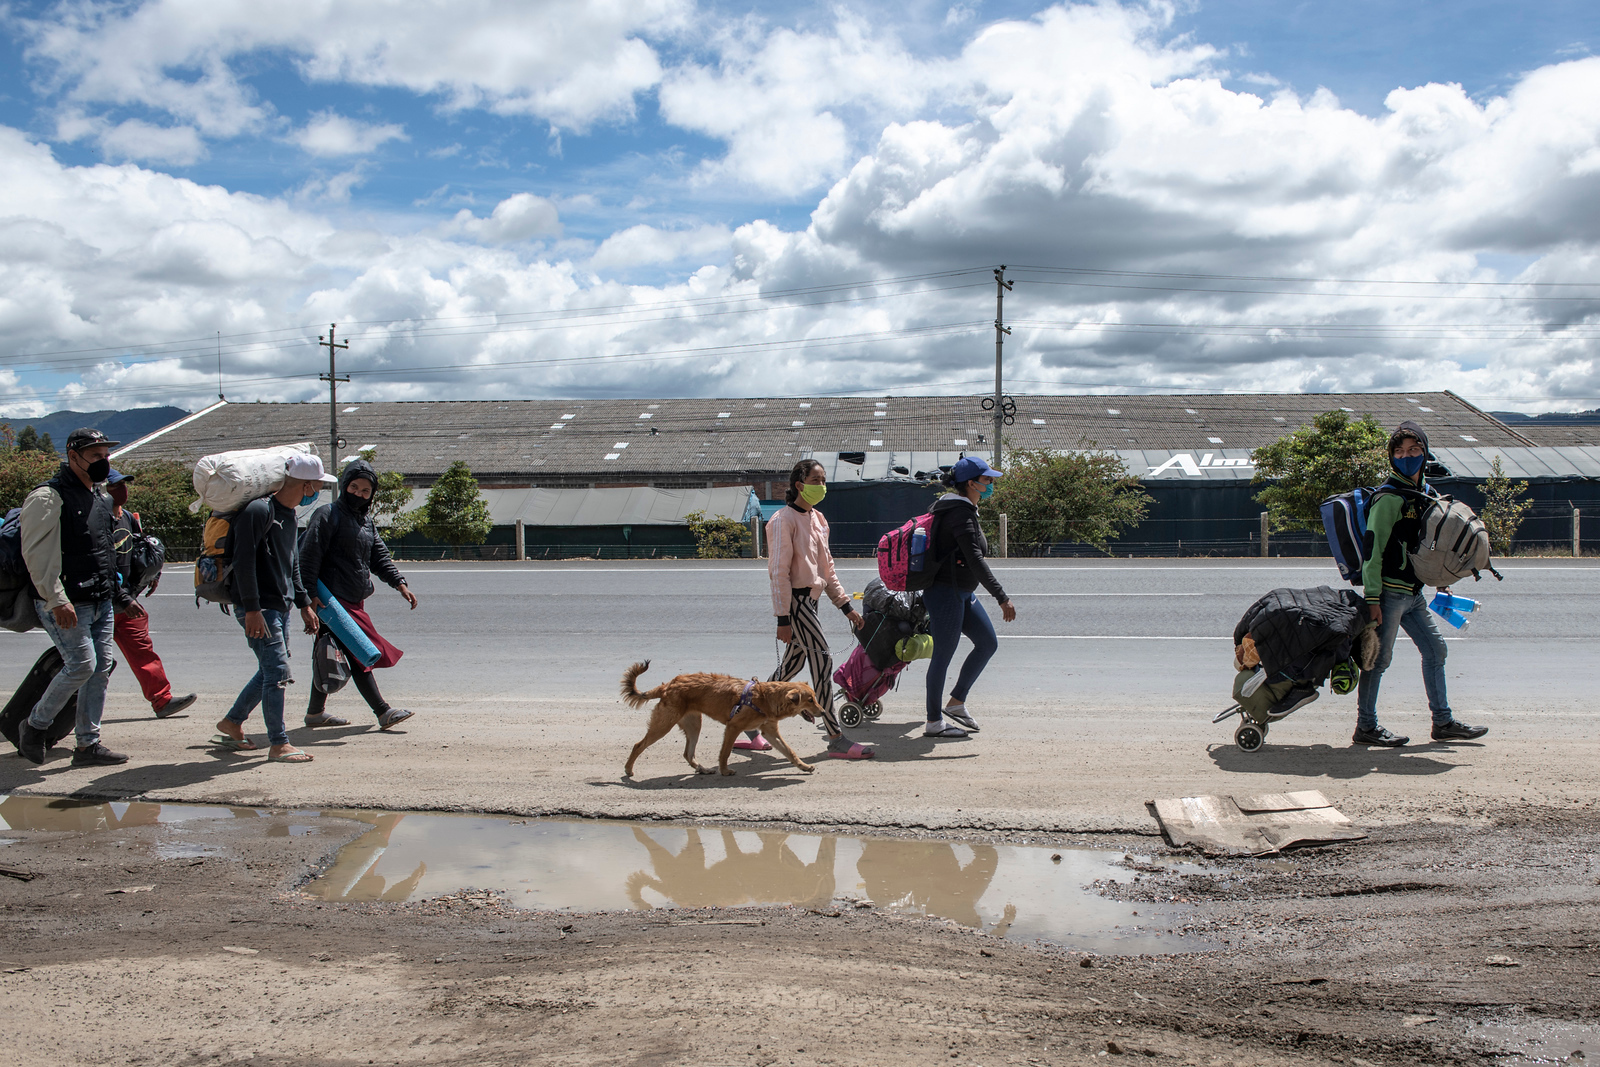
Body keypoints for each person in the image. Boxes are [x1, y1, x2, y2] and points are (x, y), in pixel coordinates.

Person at [1354, 421, 1489, 747]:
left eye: (1414, 450)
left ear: (1425, 452)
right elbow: (1372, 552)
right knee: (1378, 660)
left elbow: (1433, 548)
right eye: (1399, 452)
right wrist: (1372, 599)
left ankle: (1442, 722)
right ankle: (1366, 727)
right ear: (1391, 457)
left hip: (1413, 595)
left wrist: (1441, 581)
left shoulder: (1424, 494)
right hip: (1388, 594)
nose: (1406, 456)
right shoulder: (1389, 499)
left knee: (1435, 650)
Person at [15, 427, 142, 767]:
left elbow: (105, 555)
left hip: (100, 600)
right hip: (65, 602)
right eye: (96, 455)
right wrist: (56, 599)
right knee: (82, 665)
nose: (103, 462)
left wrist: (122, 596)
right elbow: (36, 555)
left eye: (106, 455)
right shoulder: (48, 497)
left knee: (99, 669)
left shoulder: (100, 497)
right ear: (73, 457)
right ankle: (34, 725)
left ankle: (87, 745)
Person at [211, 454, 336, 764]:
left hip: (279, 607)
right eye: (318, 485)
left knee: (270, 670)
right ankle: (279, 743)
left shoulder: (290, 515)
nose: (318, 490)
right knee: (278, 671)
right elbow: (243, 562)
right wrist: (251, 609)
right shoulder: (257, 511)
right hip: (259, 608)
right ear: (307, 484)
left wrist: (304, 603)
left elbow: (291, 563)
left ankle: (233, 721)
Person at [756, 458, 874, 760]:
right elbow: (778, 572)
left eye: (823, 481)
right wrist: (783, 618)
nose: (822, 486)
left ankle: (751, 716)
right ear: (799, 485)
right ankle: (835, 736)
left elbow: (827, 570)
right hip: (795, 603)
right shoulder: (783, 521)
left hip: (811, 601)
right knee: (821, 661)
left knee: (789, 668)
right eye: (816, 480)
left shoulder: (819, 520)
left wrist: (846, 606)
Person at [297, 457, 418, 731]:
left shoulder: (366, 523)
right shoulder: (327, 515)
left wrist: (399, 583)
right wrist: (309, 598)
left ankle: (315, 712)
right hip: (330, 600)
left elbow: (379, 558)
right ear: (344, 486)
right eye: (355, 487)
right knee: (359, 652)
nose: (359, 495)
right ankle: (383, 711)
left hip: (354, 598)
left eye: (366, 491)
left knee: (331, 652)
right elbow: (308, 557)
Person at [922, 456, 1017, 739]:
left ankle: (956, 703)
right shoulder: (958, 513)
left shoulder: (965, 508)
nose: (991, 484)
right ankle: (933, 722)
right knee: (942, 656)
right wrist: (1001, 597)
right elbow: (975, 559)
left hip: (962, 592)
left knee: (987, 643)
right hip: (945, 593)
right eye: (987, 480)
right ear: (970, 483)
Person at [106, 469, 196, 719]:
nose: (122, 490)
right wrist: (122, 597)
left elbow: (140, 548)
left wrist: (153, 574)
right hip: (100, 603)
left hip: (126, 603)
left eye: (124, 485)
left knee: (142, 649)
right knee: (83, 663)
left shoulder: (126, 518)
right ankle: (52, 710)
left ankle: (162, 700)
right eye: (116, 486)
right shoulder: (96, 519)